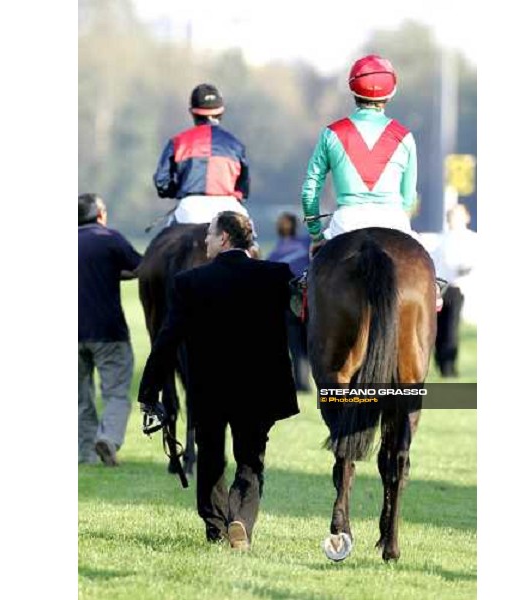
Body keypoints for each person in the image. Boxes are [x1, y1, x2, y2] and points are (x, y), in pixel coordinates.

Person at [138, 211, 299, 550]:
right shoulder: (275, 275)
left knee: (210, 458)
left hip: (209, 389)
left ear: (224, 238)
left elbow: (166, 340)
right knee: (250, 460)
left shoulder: (189, 282)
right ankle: (241, 519)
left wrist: (149, 390)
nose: (206, 241)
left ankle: (216, 528)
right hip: (259, 389)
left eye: (210, 235)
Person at [300, 54, 444, 307]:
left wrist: (315, 236)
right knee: (430, 280)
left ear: (352, 89)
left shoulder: (331, 134)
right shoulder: (405, 137)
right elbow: (408, 198)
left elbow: (310, 190)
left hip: (345, 224)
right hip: (394, 221)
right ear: (391, 94)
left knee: (305, 293)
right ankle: (436, 296)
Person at [78, 194, 142, 466]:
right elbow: (142, 267)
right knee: (116, 392)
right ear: (100, 213)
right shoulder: (110, 238)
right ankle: (108, 437)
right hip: (109, 332)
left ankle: (84, 455)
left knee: (80, 398)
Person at [153, 83, 251, 227]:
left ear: (192, 112)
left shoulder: (177, 142)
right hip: (228, 207)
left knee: (162, 243)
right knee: (250, 244)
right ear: (221, 112)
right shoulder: (236, 145)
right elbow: (244, 187)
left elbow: (161, 182)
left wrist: (178, 190)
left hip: (189, 208)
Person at [431, 204, 477, 377]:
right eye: (451, 216)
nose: (453, 220)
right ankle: (440, 362)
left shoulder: (472, 240)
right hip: (440, 289)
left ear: (466, 218)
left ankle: (449, 367)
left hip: (458, 288)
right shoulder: (442, 240)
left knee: (451, 329)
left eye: (457, 216)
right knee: (438, 328)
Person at [267, 213, 311, 391]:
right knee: (311, 341)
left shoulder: (273, 254)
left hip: (288, 301)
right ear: (295, 227)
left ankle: (301, 383)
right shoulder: (306, 243)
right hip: (309, 297)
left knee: (295, 345)